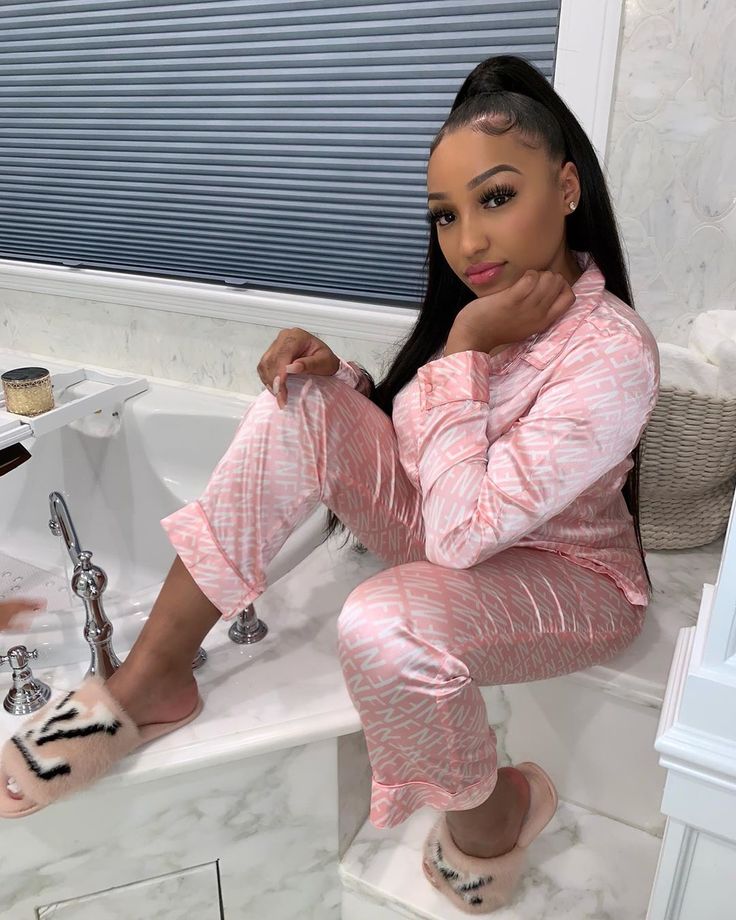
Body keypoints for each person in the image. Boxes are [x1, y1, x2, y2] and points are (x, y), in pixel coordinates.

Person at [0, 55, 659, 914]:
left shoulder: (611, 350)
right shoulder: (497, 315)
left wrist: (462, 347)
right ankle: (147, 682)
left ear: (567, 188)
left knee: (384, 626)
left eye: (497, 198)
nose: (468, 242)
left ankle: (499, 811)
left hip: (573, 581)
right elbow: (434, 459)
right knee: (297, 402)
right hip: (468, 532)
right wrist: (345, 391)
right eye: (447, 215)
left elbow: (461, 536)